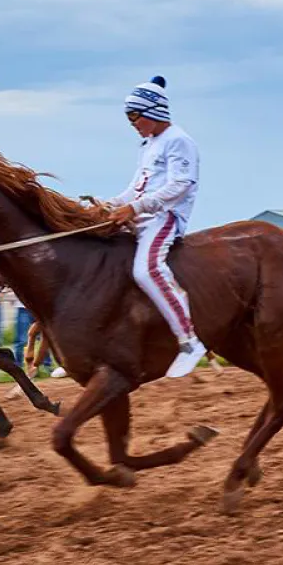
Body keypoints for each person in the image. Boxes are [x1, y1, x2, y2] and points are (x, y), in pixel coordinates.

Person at [107, 75, 208, 378]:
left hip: (165, 218)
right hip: (142, 216)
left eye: (134, 116)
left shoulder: (178, 140)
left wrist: (135, 208)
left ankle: (190, 341)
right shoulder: (148, 144)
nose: (132, 123)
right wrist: (108, 205)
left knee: (146, 271)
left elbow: (180, 185)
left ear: (153, 112)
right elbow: (135, 189)